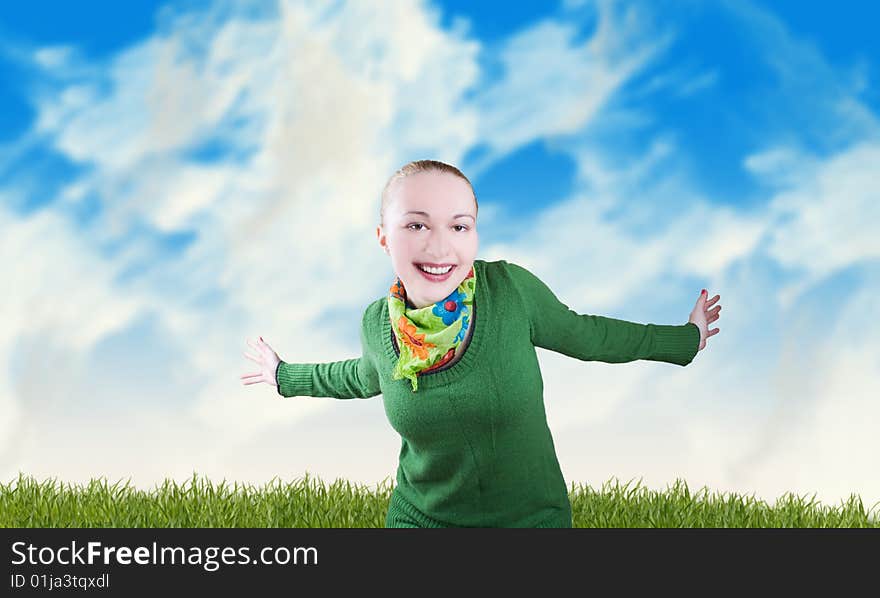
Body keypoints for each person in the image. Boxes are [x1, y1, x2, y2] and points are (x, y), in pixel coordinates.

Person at [240, 159, 722, 528]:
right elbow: (359, 376)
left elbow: (588, 334)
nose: (439, 245)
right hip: (421, 520)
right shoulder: (376, 325)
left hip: (529, 522)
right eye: (416, 224)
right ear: (384, 237)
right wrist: (283, 374)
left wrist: (687, 338)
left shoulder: (510, 292)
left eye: (459, 225)